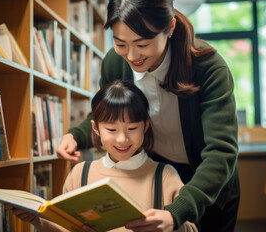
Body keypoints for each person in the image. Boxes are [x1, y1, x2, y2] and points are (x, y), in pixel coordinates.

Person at [56, 0, 240, 231]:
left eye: (142, 44)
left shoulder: (207, 67)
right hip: (155, 176)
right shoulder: (115, 62)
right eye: (121, 43)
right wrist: (76, 136)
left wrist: (177, 212)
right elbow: (108, 114)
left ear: (170, 27)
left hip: (207, 182)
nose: (132, 56)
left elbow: (221, 151)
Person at [12, 80, 197, 232]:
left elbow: (191, 229)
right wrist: (37, 220)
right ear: (95, 128)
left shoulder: (164, 176)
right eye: (111, 129)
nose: (122, 139)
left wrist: (170, 225)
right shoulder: (80, 174)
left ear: (146, 126)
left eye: (132, 128)